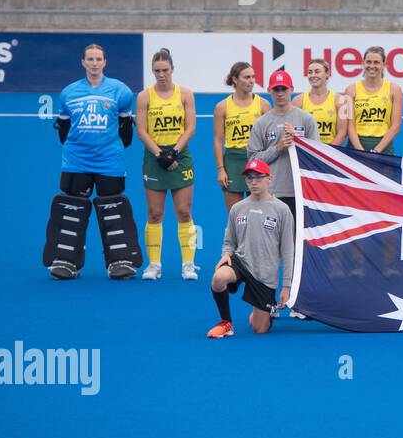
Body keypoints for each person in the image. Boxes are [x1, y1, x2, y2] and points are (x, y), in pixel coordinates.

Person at [44, 44, 141, 280]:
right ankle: (67, 262)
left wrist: (109, 147)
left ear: (105, 62)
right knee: (72, 209)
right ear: (83, 62)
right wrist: (80, 148)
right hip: (77, 162)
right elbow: (64, 130)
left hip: (110, 162)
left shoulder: (121, 91)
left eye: (98, 59)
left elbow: (126, 130)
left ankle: (120, 261)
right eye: (90, 59)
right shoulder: (69, 92)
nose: (95, 63)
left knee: (113, 209)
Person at [206, 159, 295, 339]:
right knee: (218, 278)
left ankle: (261, 315)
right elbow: (229, 240)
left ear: (269, 179)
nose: (253, 182)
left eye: (258, 178)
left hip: (264, 274)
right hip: (241, 262)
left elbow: (288, 251)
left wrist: (286, 286)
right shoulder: (238, 208)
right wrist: (225, 254)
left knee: (259, 329)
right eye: (249, 179)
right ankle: (226, 323)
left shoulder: (282, 210)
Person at [135, 47, 198, 281]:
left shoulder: (185, 94)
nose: (161, 74)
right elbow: (141, 130)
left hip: (179, 156)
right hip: (154, 158)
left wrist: (173, 152)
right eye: (156, 71)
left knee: (184, 212)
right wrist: (160, 154)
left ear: (172, 69)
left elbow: (190, 127)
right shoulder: (144, 96)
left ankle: (189, 264)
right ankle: (154, 264)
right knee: (154, 213)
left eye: (165, 70)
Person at [247, 70, 320, 221]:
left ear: (292, 89)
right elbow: (253, 160)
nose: (280, 94)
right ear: (269, 91)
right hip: (271, 192)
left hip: (299, 191)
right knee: (270, 241)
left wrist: (299, 142)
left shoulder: (306, 119)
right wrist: (278, 148)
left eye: (284, 89)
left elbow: (316, 157)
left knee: (295, 241)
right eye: (276, 89)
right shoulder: (262, 123)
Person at [213, 62, 269, 214]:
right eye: (246, 77)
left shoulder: (263, 105)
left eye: (253, 77)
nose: (251, 81)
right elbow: (218, 141)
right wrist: (221, 170)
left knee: (258, 215)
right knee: (235, 216)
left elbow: (270, 140)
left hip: (257, 160)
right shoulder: (222, 107)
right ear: (235, 80)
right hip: (233, 162)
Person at [345, 46, 403, 153]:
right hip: (356, 145)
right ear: (363, 63)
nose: (372, 66)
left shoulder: (394, 89)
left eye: (376, 62)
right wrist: (360, 151)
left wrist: (377, 150)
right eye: (368, 62)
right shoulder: (351, 90)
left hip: (384, 147)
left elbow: (396, 126)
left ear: (384, 65)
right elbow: (349, 125)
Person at [295, 58, 350, 147]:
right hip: (307, 154)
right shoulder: (298, 101)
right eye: (310, 72)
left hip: (331, 153)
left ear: (327, 74)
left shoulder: (340, 100)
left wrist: (327, 153)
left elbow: (342, 133)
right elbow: (294, 132)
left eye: (317, 72)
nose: (313, 75)